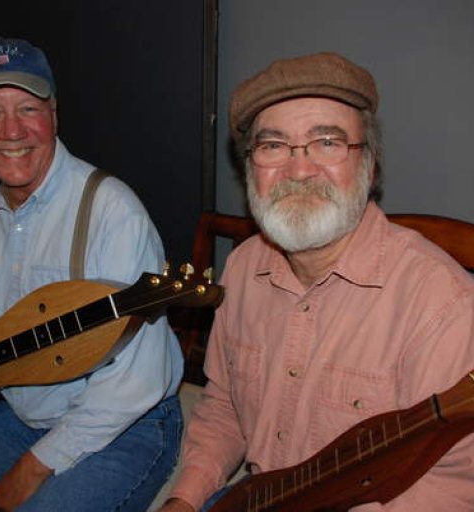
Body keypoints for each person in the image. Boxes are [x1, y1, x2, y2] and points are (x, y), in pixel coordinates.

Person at [159, 52, 474, 511]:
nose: (299, 169)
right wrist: (184, 501)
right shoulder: (244, 266)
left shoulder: (443, 306)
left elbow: (449, 487)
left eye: (327, 142)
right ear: (251, 170)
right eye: (273, 145)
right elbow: (224, 406)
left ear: (370, 166)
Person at [0, 37, 184, 511]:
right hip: (23, 410)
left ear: (54, 116)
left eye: (28, 107)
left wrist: (36, 464)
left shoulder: (113, 211)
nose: (12, 130)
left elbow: (137, 380)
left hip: (125, 421)